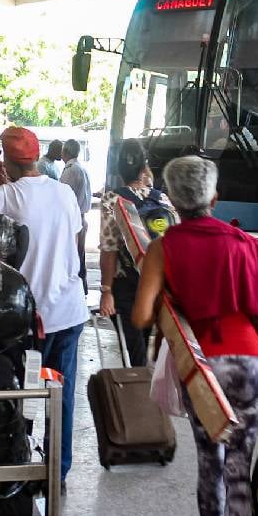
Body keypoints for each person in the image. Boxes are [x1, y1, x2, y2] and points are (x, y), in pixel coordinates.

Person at [130, 156, 258, 516]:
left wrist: (169, 296)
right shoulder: (248, 245)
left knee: (209, 458)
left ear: (173, 200)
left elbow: (141, 317)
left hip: (203, 367)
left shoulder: (164, 247)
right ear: (215, 197)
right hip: (251, 364)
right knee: (239, 463)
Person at [0, 126, 89, 485]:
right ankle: (57, 473)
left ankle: (22, 468)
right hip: (69, 311)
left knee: (23, 392)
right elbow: (76, 242)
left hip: (29, 319)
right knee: (60, 393)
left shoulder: (2, 198)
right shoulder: (64, 193)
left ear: (7, 159)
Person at [97, 138, 175, 367]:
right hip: (157, 284)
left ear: (118, 170)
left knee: (133, 350)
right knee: (146, 343)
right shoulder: (162, 199)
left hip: (127, 286)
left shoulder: (112, 199)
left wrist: (106, 291)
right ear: (144, 168)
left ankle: (139, 393)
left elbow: (109, 248)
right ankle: (149, 391)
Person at [59, 138, 92, 293]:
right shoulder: (81, 168)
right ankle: (82, 289)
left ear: (65, 152)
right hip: (81, 217)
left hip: (74, 220)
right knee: (79, 256)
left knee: (73, 258)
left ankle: (76, 292)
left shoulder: (71, 170)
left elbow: (63, 197)